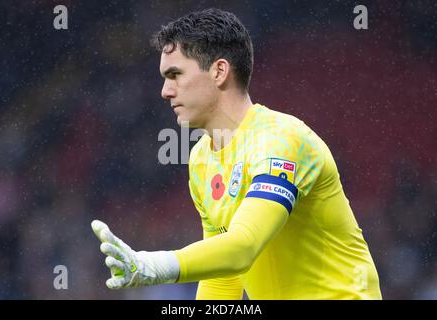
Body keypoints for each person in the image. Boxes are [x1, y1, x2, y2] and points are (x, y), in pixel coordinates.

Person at [91, 8, 382, 300]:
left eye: (175, 75)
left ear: (219, 71)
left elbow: (243, 247)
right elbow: (223, 281)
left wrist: (151, 265)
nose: (165, 91)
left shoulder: (281, 141)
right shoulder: (202, 159)